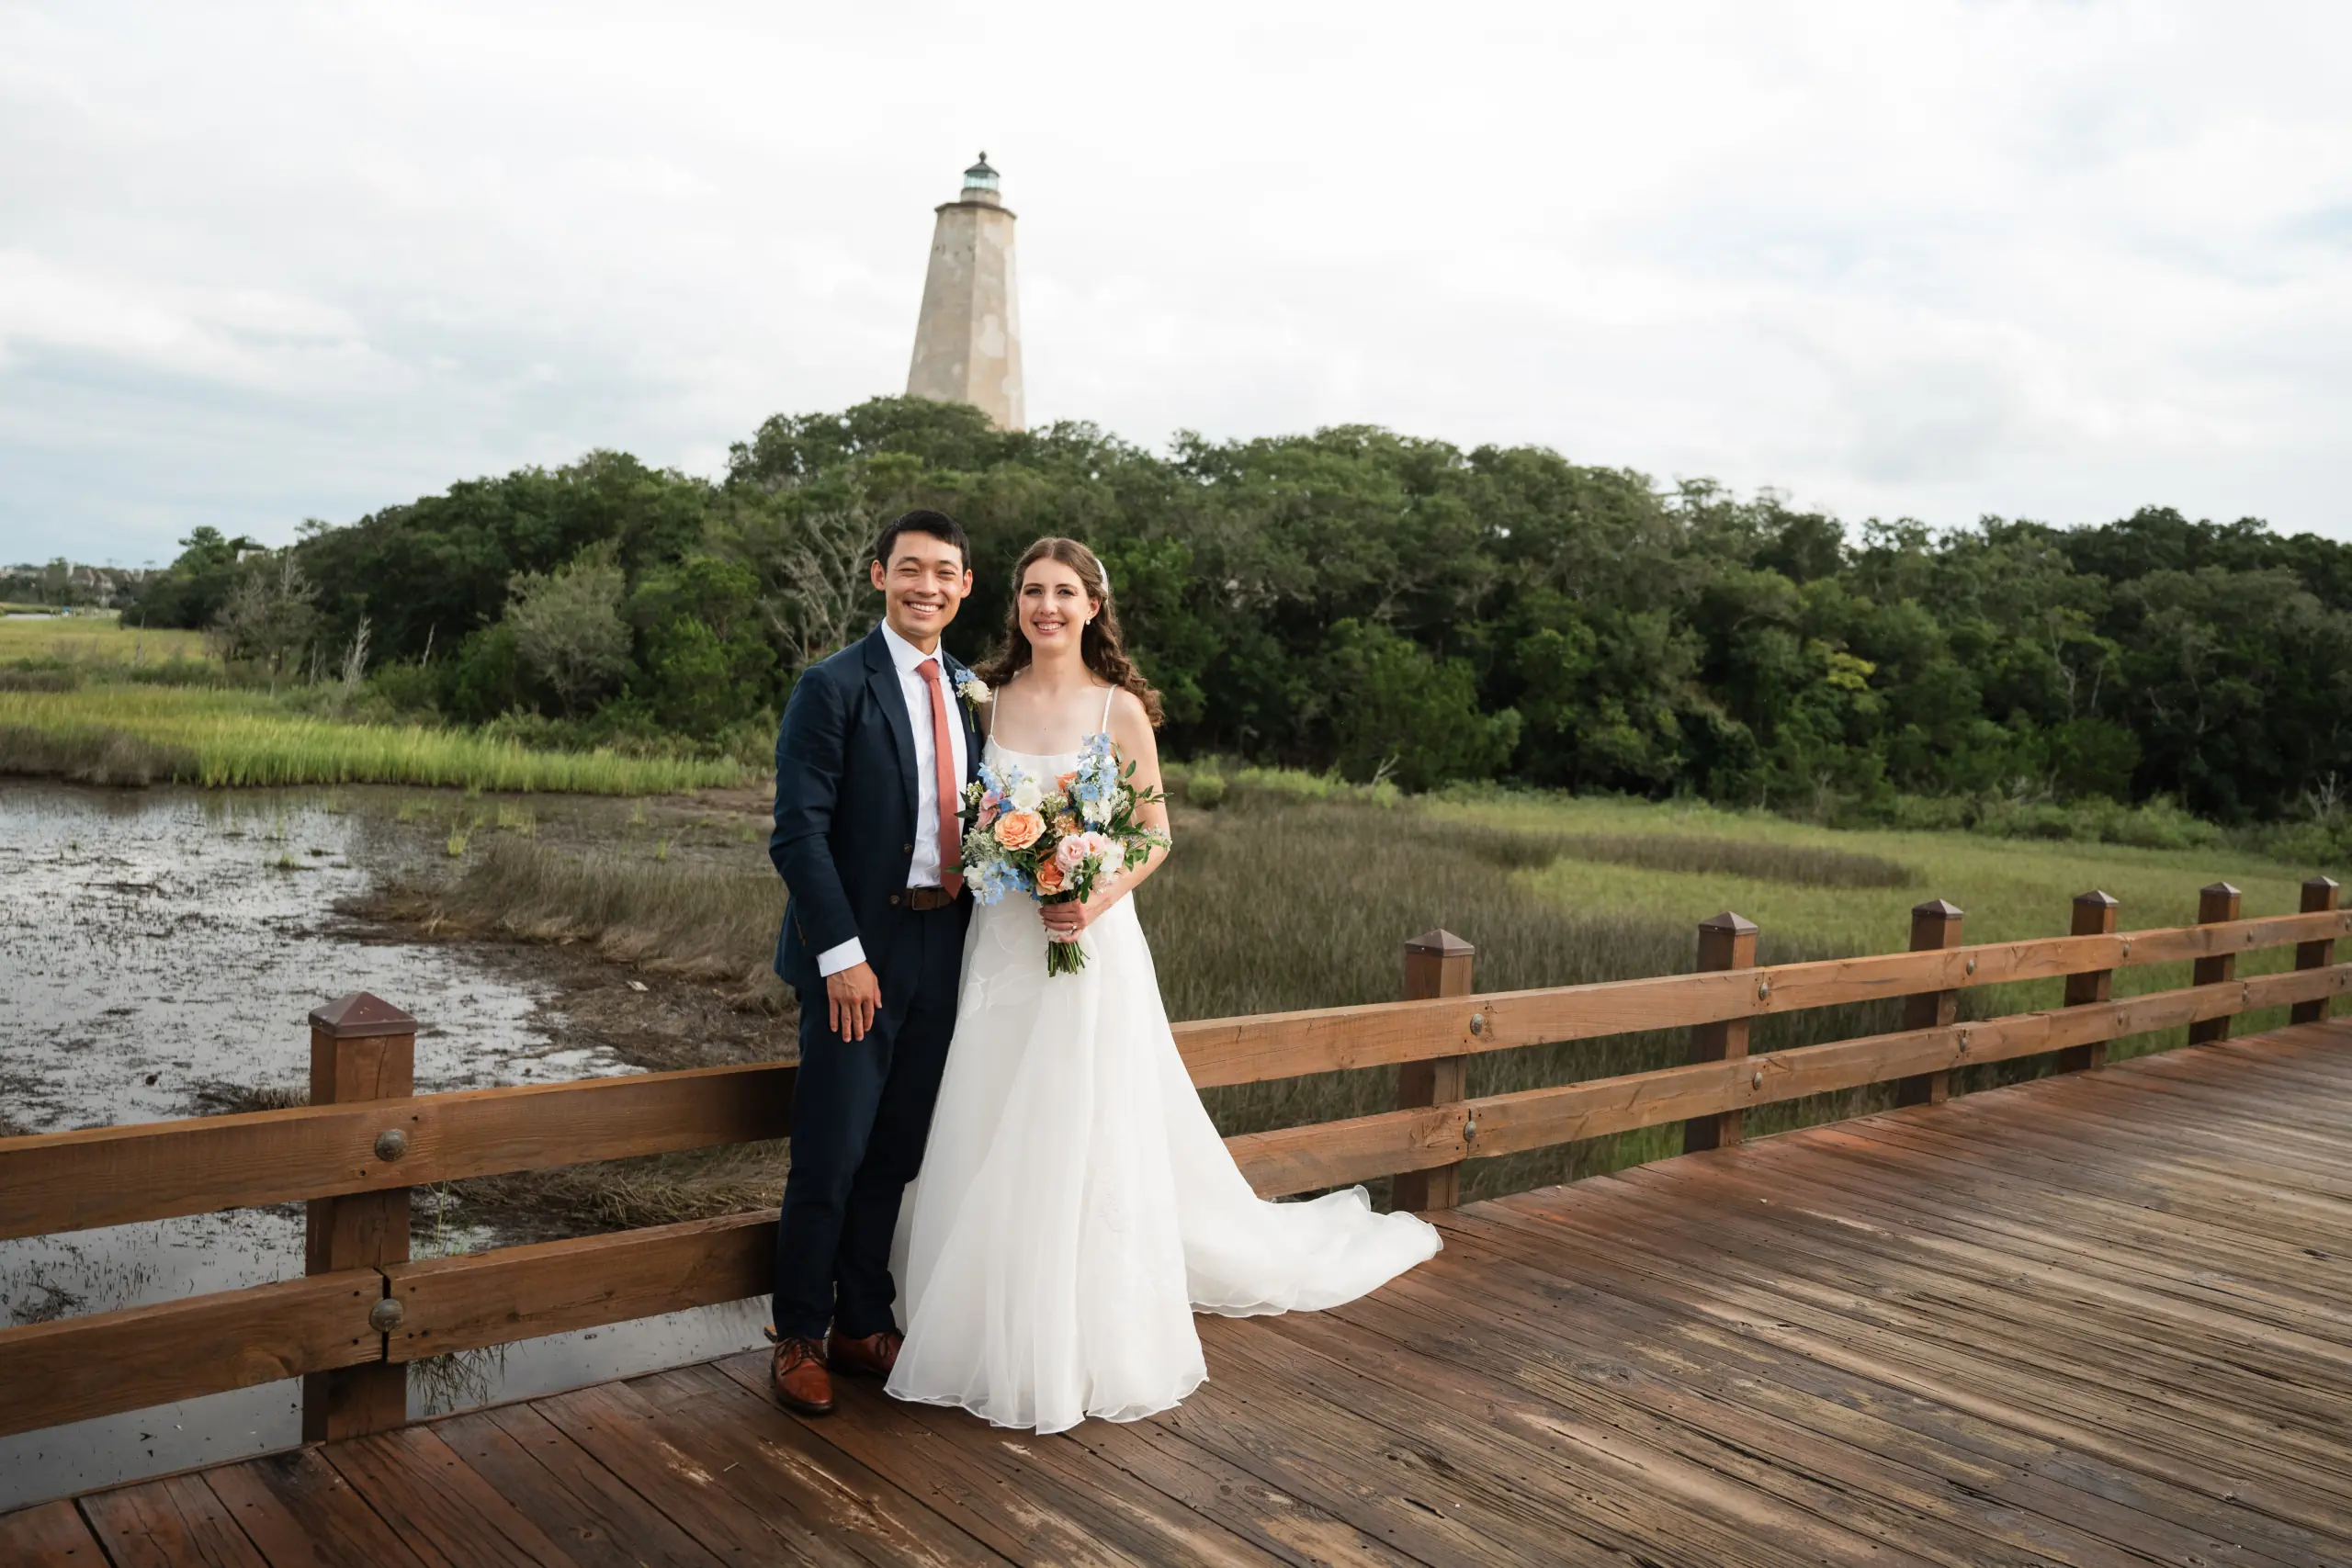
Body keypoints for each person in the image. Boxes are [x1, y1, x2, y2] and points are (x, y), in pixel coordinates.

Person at [885, 536, 1441, 1433]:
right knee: (990, 1109)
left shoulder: (1120, 709)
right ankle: (978, 1314)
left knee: (1081, 1116)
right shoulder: (985, 699)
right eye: (1033, 591)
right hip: (999, 944)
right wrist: (1006, 863)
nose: (1047, 607)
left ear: (1093, 606)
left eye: (1065, 592)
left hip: (1088, 943)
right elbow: (967, 815)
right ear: (1013, 604)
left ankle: (1078, 1329)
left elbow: (1152, 833)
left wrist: (1088, 895)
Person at [765, 509, 983, 1416]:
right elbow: (797, 833)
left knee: (895, 1150)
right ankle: (799, 1337)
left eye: (943, 573)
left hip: (948, 942)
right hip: (859, 949)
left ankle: (863, 1322)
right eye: (909, 570)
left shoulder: (976, 690)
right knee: (832, 1149)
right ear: (877, 577)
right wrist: (841, 956)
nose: (925, 586)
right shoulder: (832, 686)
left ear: (965, 587)